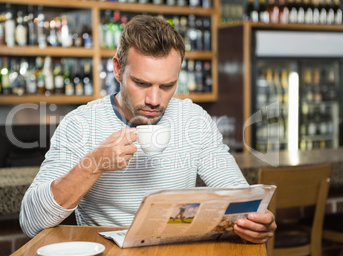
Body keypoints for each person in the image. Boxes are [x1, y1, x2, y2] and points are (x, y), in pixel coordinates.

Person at [19, 15, 276, 243]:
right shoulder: (80, 123)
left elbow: (239, 196)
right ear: (118, 69)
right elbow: (31, 222)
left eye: (167, 86)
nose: (154, 99)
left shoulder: (193, 119)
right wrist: (95, 163)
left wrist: (255, 224)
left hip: (174, 254)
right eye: (142, 83)